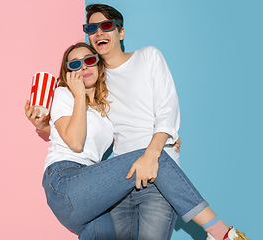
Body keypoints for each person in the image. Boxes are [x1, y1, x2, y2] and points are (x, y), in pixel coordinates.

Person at [25, 42, 249, 240]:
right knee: (153, 155)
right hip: (65, 182)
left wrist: (169, 139)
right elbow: (74, 142)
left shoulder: (105, 113)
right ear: (67, 73)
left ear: (98, 65)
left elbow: (128, 129)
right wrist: (78, 94)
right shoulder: (65, 94)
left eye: (89, 60)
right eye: (74, 64)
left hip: (92, 197)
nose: (83, 67)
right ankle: (223, 234)